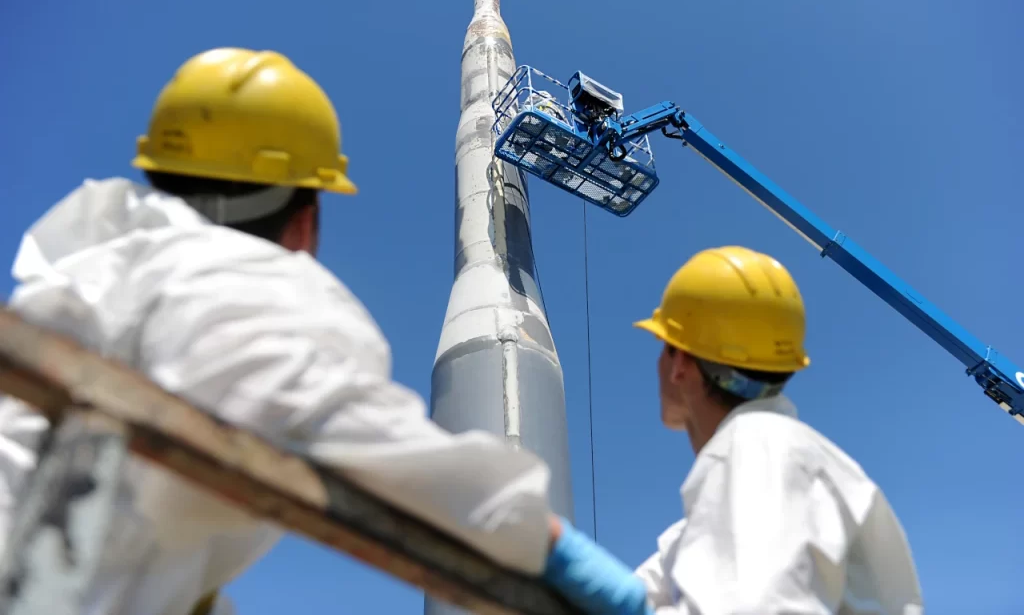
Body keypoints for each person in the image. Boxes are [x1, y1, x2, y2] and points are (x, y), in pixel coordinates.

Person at [0, 47, 647, 615]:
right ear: (306, 218)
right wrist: (552, 545)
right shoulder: (264, 296)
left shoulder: (79, 274)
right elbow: (403, 461)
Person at [631, 246, 924, 615]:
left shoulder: (757, 452)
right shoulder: (770, 463)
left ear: (682, 364)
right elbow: (655, 583)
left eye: (665, 345)